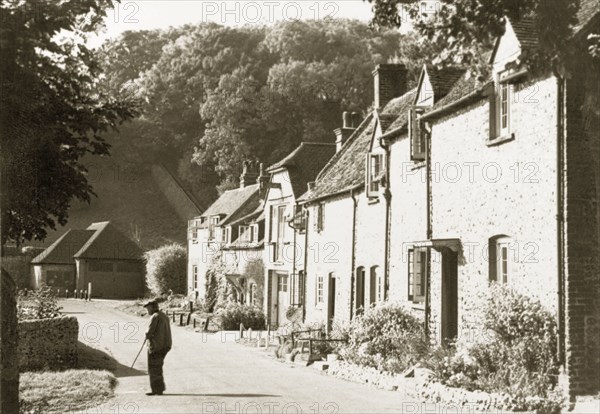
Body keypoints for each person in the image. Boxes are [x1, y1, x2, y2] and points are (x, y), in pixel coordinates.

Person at [143, 299, 172, 396]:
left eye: (148, 308)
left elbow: (149, 332)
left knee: (153, 367)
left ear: (152, 307)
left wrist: (146, 336)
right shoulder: (164, 315)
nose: (147, 310)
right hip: (165, 345)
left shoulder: (154, 317)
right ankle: (159, 388)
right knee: (158, 367)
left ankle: (156, 389)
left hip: (156, 346)